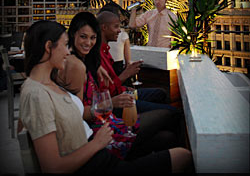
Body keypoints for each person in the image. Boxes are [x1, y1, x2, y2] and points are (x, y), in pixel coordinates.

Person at [19, 20, 193, 174]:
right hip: (95, 162)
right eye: (65, 45)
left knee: (167, 138)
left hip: (99, 149)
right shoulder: (36, 95)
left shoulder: (49, 82)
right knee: (183, 156)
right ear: (49, 47)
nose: (67, 51)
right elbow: (53, 168)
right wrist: (97, 143)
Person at [96, 11, 180, 115]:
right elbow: (108, 92)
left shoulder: (106, 51)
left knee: (160, 93)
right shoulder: (97, 57)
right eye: (116, 27)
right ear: (104, 28)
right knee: (173, 111)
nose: (119, 31)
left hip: (123, 91)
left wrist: (125, 87)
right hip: (118, 100)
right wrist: (126, 74)